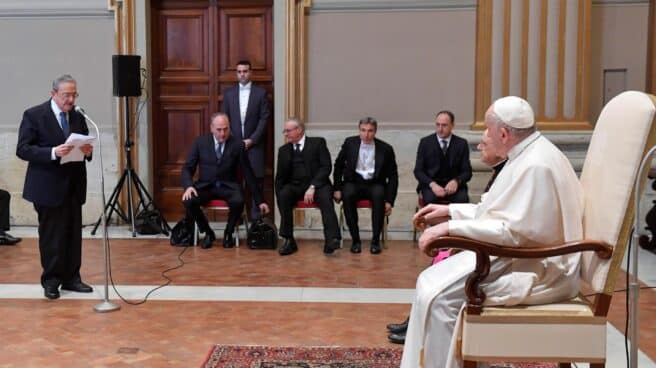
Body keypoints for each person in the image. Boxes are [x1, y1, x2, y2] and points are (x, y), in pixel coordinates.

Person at [401, 96, 584, 368]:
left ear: (504, 133)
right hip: (518, 255)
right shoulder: (526, 154)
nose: (483, 136)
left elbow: (516, 232)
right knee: (430, 282)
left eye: (487, 129)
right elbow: (499, 212)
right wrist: (450, 210)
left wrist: (450, 228)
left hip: (538, 267)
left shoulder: (536, 166)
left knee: (441, 300)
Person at [386, 132, 506, 345]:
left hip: (490, 251)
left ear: (502, 140)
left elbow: (498, 223)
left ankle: (421, 327)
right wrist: (447, 212)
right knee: (433, 268)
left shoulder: (508, 173)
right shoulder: (502, 171)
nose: (478, 147)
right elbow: (484, 212)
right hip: (477, 236)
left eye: (484, 143)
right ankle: (414, 323)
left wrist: (451, 229)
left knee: (438, 268)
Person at [16, 74, 94, 300]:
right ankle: (51, 280)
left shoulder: (78, 115)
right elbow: (23, 149)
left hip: (73, 185)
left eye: (74, 94)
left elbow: (84, 140)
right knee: (52, 236)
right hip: (47, 187)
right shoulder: (34, 115)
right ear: (53, 94)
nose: (70, 99)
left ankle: (72, 278)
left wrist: (87, 150)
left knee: (72, 233)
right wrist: (52, 152)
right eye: (66, 95)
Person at [181, 112, 269, 249]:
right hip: (206, 186)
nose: (223, 133)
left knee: (239, 200)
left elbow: (249, 173)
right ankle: (208, 232)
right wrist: (188, 186)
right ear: (211, 128)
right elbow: (187, 168)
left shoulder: (238, 145)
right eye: (219, 129)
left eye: (226, 129)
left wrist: (260, 200)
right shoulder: (200, 142)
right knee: (188, 200)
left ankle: (229, 232)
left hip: (228, 186)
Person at [275, 118, 341, 256]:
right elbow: (280, 177)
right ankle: (288, 239)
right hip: (295, 186)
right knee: (284, 195)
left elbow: (326, 167)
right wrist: (279, 194)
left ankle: (332, 239)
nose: (285, 134)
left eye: (288, 131)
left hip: (317, 185)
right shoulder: (283, 150)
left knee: (325, 198)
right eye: (285, 131)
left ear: (299, 130)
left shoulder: (317, 143)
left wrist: (313, 186)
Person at [333, 117, 398, 254]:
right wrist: (337, 188)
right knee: (348, 194)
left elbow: (393, 176)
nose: (366, 134)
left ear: (375, 131)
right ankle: (355, 240)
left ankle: (375, 241)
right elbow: (338, 166)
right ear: (359, 130)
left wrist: (390, 201)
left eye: (370, 131)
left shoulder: (386, 149)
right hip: (353, 182)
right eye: (363, 130)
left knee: (379, 195)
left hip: (375, 183)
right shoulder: (350, 143)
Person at [222, 60, 270, 221]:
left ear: (251, 72)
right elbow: (224, 120)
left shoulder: (261, 93)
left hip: (254, 146)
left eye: (245, 71)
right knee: (235, 182)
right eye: (239, 71)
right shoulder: (228, 94)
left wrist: (252, 140)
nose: (242, 74)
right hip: (234, 146)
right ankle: (236, 219)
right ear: (236, 73)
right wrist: (236, 142)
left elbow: (264, 119)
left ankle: (256, 222)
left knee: (256, 182)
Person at [414, 111, 472, 204]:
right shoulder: (425, 143)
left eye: (444, 125)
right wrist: (432, 185)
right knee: (430, 200)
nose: (440, 129)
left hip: (454, 186)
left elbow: (467, 172)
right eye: (438, 125)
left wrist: (456, 181)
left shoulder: (461, 144)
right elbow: (418, 171)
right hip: (431, 185)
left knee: (462, 201)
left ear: (452, 125)